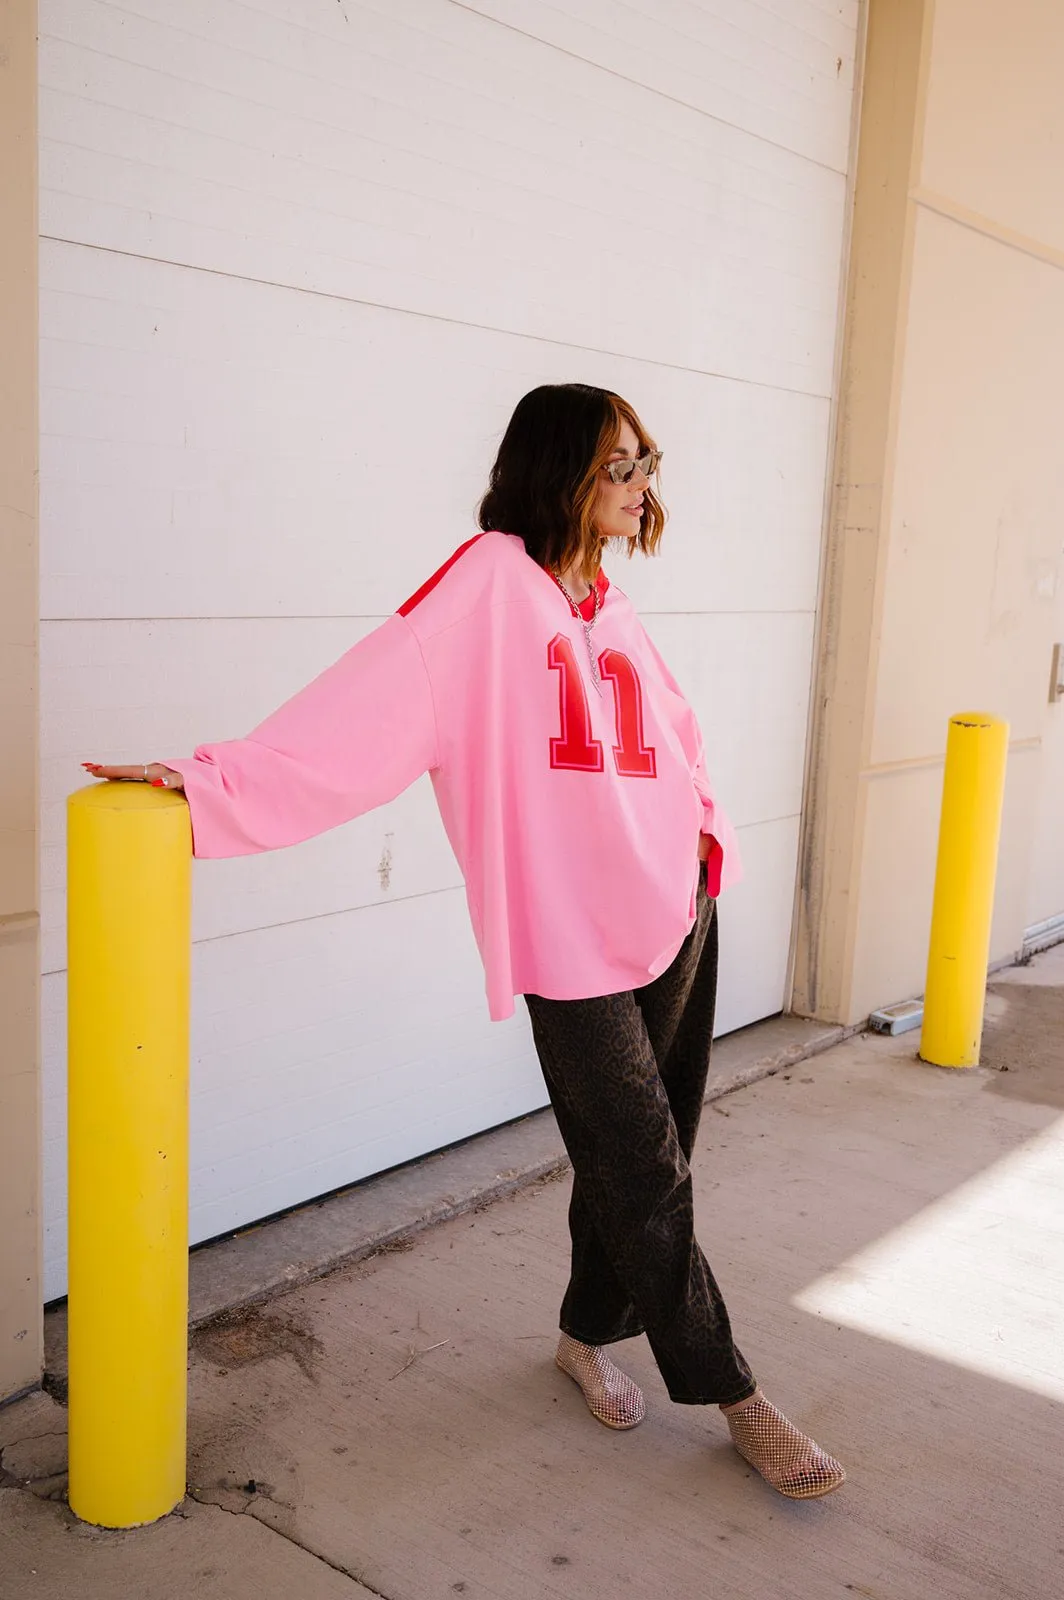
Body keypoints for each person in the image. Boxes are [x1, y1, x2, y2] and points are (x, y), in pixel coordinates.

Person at [85, 383, 845, 1500]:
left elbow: (675, 740)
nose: (642, 488)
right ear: (559, 472)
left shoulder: (610, 603)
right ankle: (734, 1392)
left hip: (676, 916)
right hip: (570, 944)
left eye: (647, 463)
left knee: (646, 1158)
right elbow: (357, 714)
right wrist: (203, 782)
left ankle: (585, 1334)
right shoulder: (488, 587)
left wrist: (706, 847)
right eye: (619, 467)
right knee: (642, 1170)